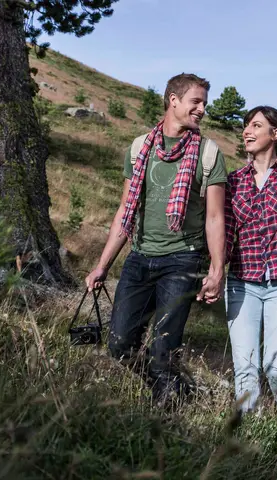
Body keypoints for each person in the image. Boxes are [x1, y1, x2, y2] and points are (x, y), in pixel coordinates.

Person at [84, 73, 227, 406]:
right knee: (119, 344)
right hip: (139, 258)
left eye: (204, 103)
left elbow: (215, 217)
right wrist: (101, 265)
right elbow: (125, 211)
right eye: (196, 101)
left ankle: (166, 415)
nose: (202, 109)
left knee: (164, 347)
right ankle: (178, 388)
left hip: (183, 260)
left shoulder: (208, 154)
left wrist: (217, 270)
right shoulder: (139, 148)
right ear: (173, 100)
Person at [224, 106, 277, 413]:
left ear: (275, 133)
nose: (247, 130)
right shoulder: (235, 181)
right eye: (246, 125)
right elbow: (228, 230)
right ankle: (245, 433)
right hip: (242, 282)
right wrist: (215, 270)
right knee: (245, 368)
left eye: (256, 126)